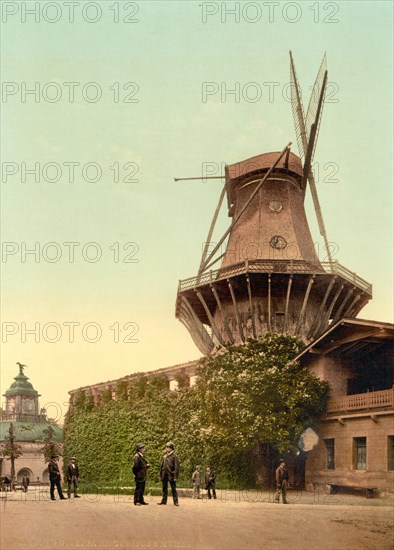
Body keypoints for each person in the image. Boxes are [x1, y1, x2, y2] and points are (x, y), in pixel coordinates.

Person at [158, 442, 180, 506]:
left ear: (171, 448)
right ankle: (163, 501)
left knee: (173, 489)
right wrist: (160, 475)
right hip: (164, 474)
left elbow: (176, 468)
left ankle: (176, 502)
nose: (166, 448)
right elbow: (161, 467)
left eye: (168, 447)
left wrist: (175, 477)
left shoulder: (175, 456)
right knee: (164, 489)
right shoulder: (164, 456)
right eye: (166, 447)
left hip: (171, 475)